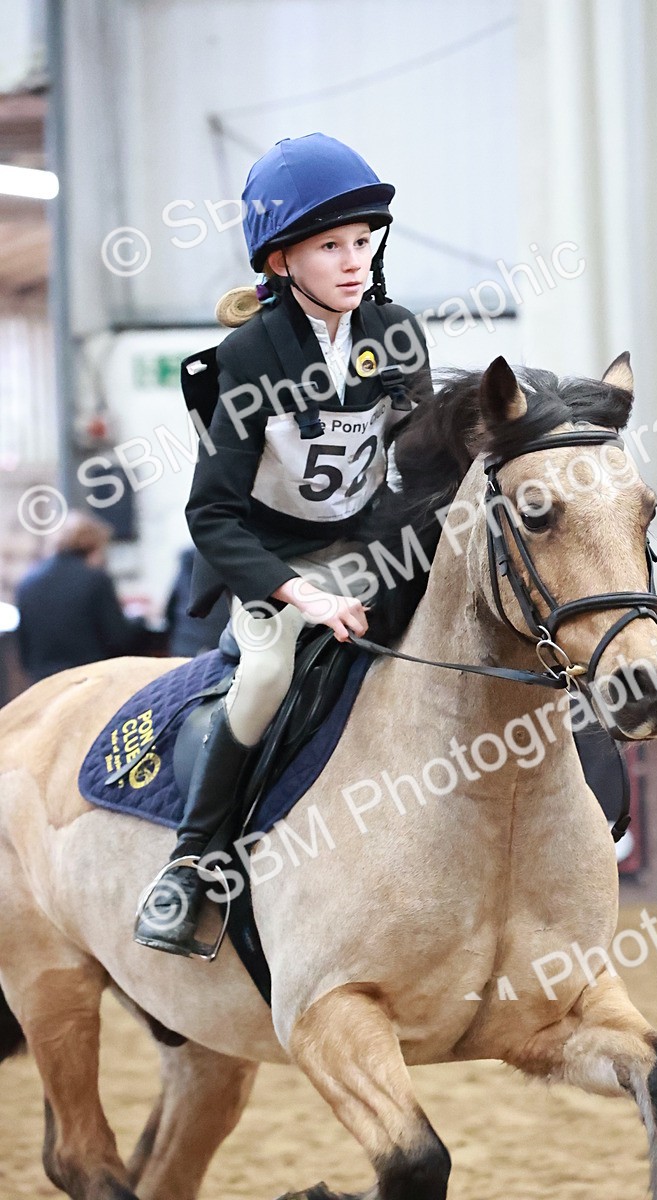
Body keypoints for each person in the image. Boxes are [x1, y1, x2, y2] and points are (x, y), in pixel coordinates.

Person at [134, 133, 432, 955]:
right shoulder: (247, 355)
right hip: (276, 558)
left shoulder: (397, 331)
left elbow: (419, 465)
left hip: (372, 545)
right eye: (331, 247)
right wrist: (301, 595)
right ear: (280, 261)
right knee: (267, 672)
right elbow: (211, 514)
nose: (354, 261)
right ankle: (191, 863)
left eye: (362, 242)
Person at [15, 510, 147, 683]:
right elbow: (118, 639)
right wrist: (140, 620)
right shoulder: (95, 579)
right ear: (95, 545)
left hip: (44, 683)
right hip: (89, 681)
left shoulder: (27, 582)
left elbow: (24, 651)